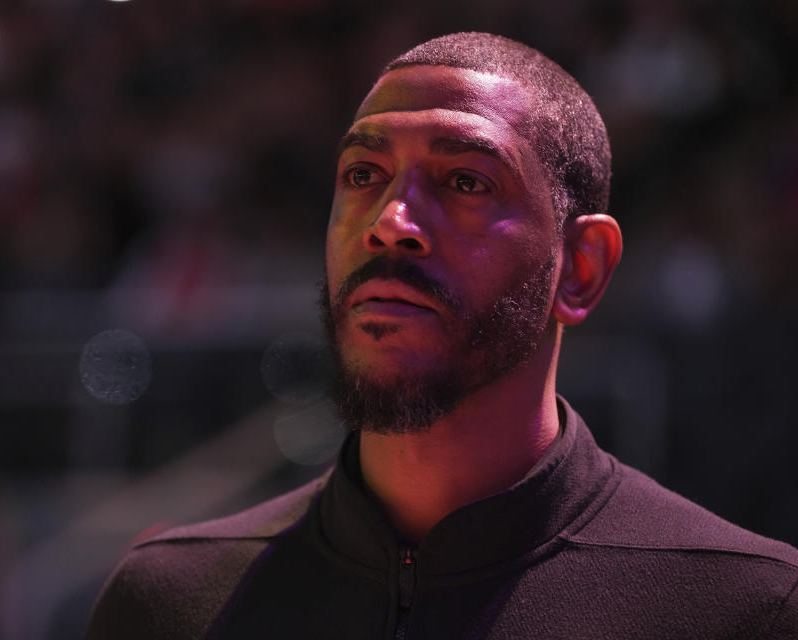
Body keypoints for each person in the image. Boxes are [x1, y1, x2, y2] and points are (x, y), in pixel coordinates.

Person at [84, 32, 798, 638]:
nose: (390, 221)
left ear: (579, 269)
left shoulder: (744, 608)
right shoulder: (167, 605)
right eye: (363, 173)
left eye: (464, 182)